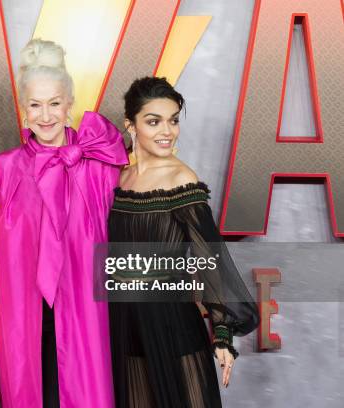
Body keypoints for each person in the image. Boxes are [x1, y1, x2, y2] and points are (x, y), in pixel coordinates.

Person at [0, 39, 129, 408]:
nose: (45, 115)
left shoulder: (99, 168)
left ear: (69, 105)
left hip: (85, 315)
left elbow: (131, 232)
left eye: (54, 103)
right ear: (23, 110)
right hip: (25, 318)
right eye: (35, 105)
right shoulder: (2, 169)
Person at [107, 76, 260, 407]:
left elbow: (210, 261)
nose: (167, 131)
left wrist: (221, 335)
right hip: (124, 326)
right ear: (130, 125)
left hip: (171, 324)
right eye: (154, 121)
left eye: (173, 120)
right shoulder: (118, 178)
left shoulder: (182, 180)